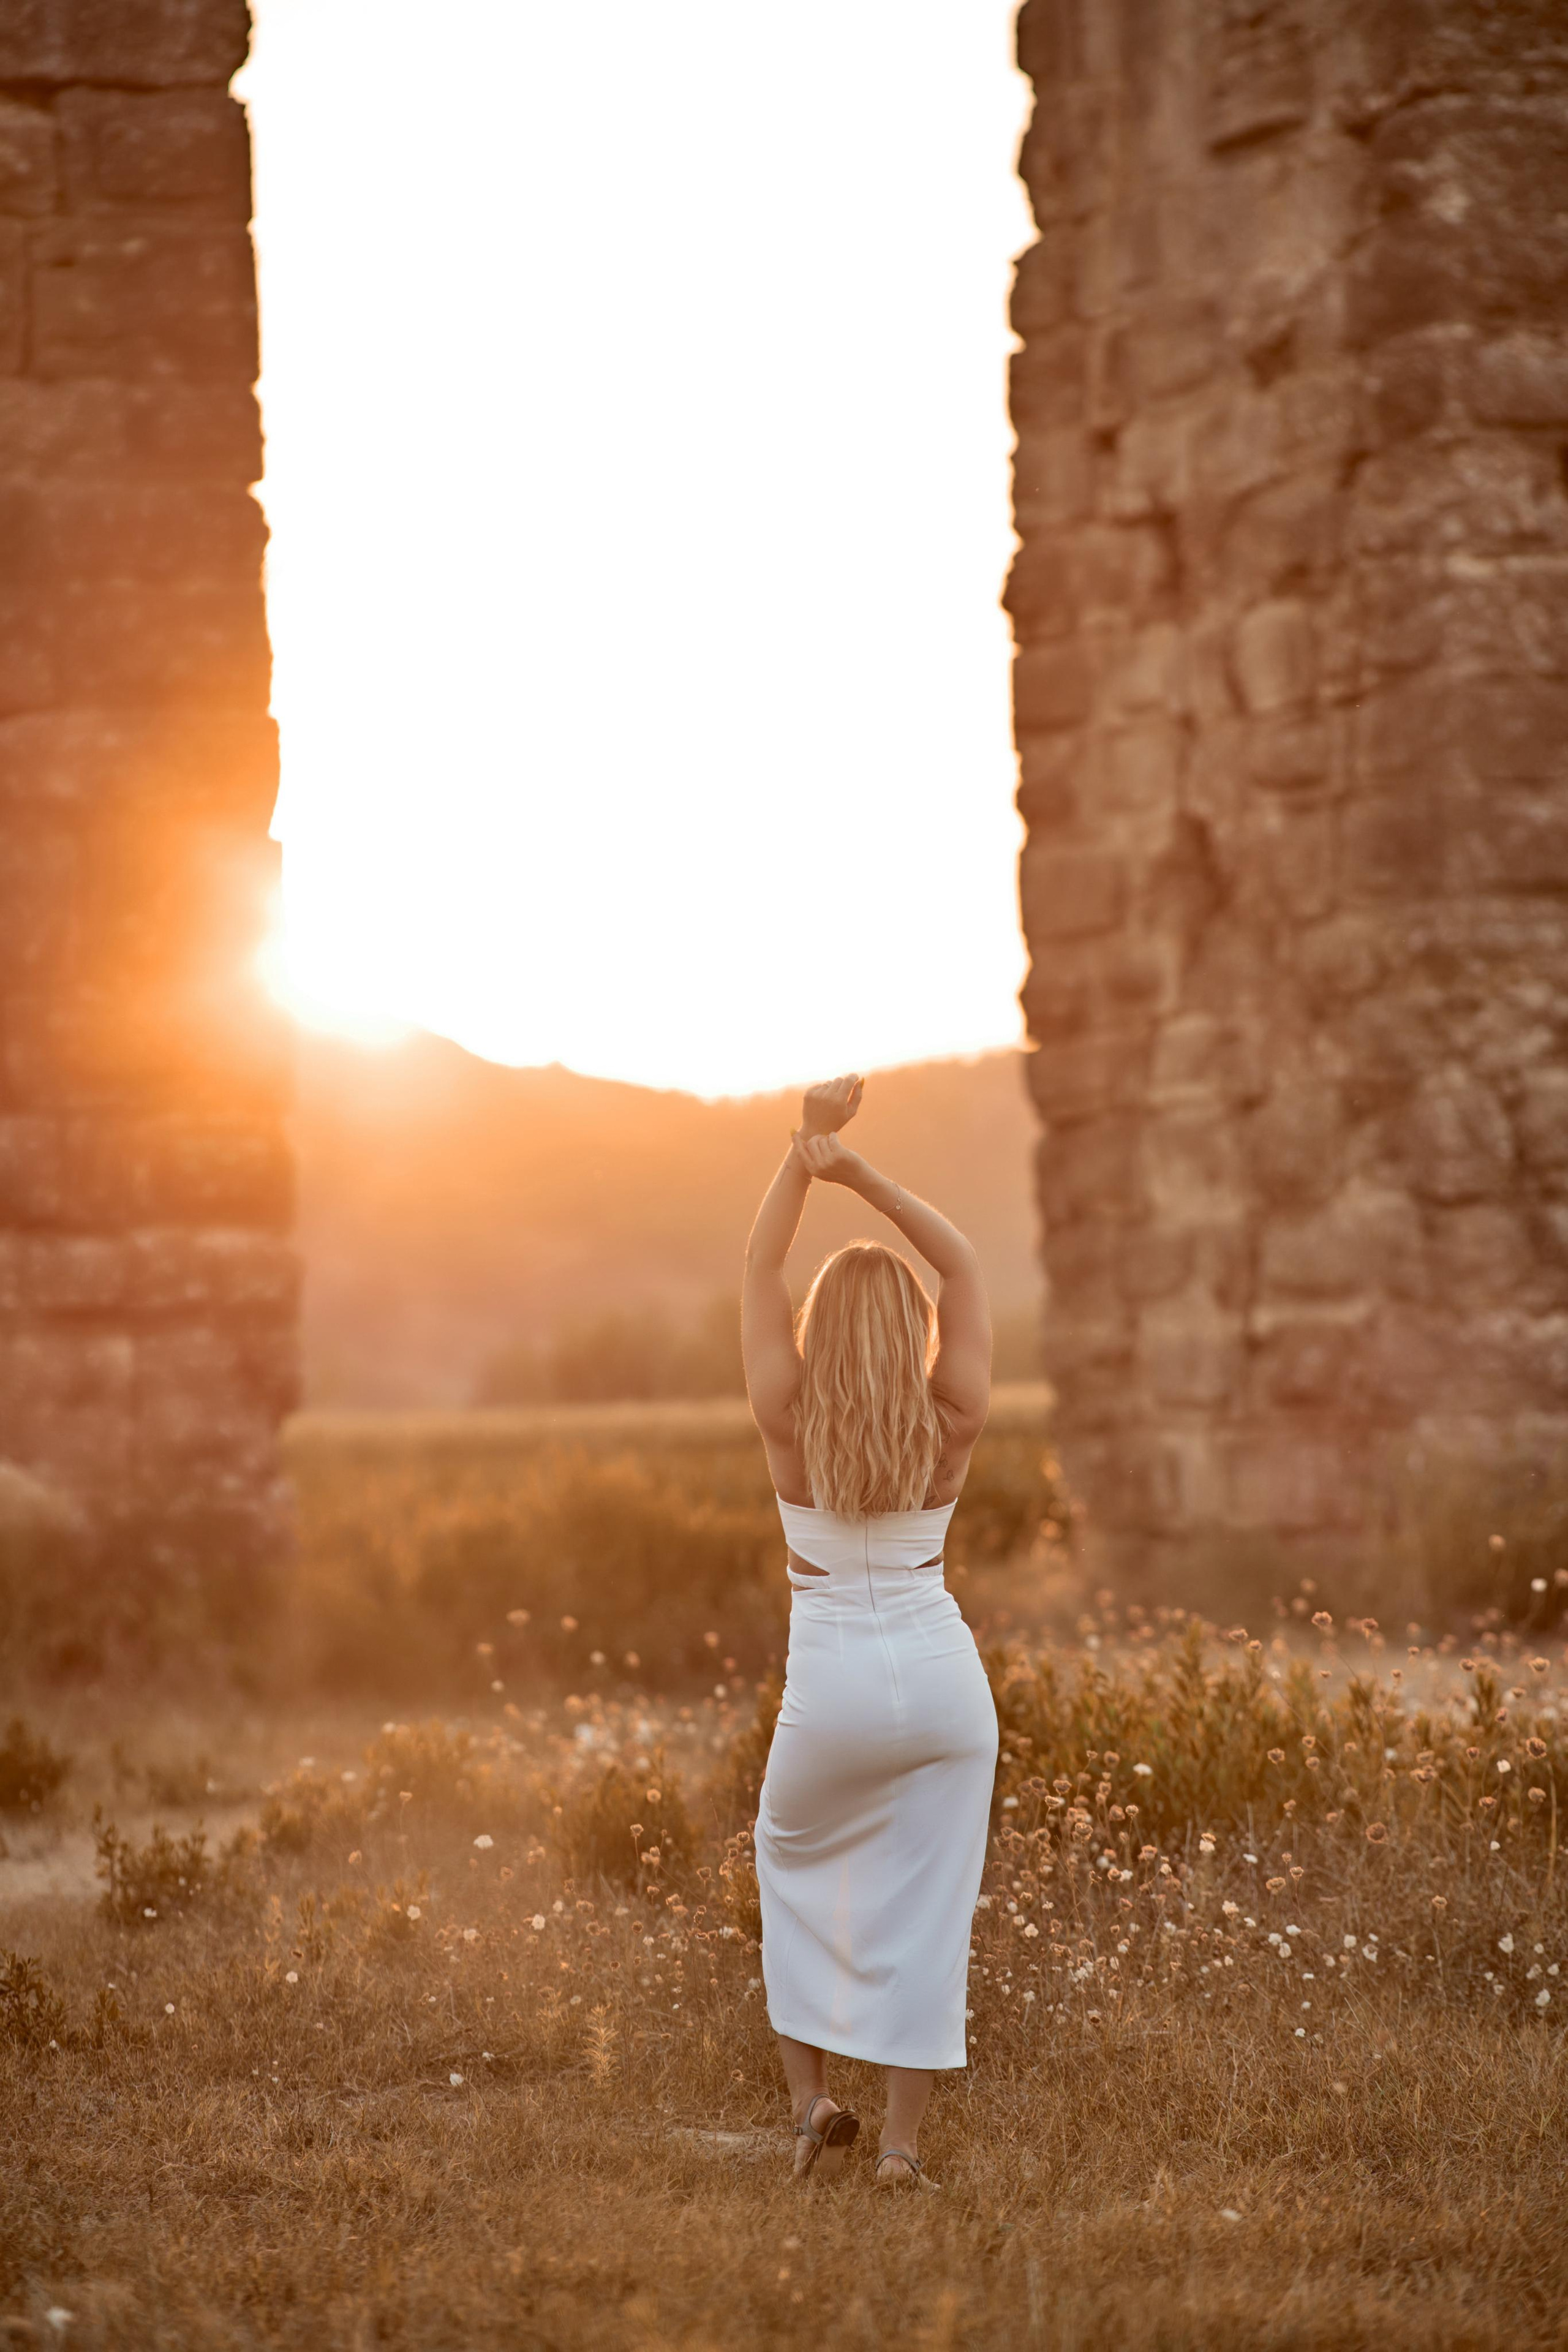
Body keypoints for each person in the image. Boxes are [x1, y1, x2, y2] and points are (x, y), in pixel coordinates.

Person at [740, 1072, 999, 2190]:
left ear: (822, 1333)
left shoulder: (788, 1416)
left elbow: (760, 1269)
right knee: (928, 1910)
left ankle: (810, 2106)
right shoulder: (952, 1416)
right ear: (912, 1333)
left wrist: (804, 1155)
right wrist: (860, 1175)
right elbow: (964, 1268)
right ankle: (899, 2150)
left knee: (790, 1860)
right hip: (946, 1685)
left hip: (834, 1682)